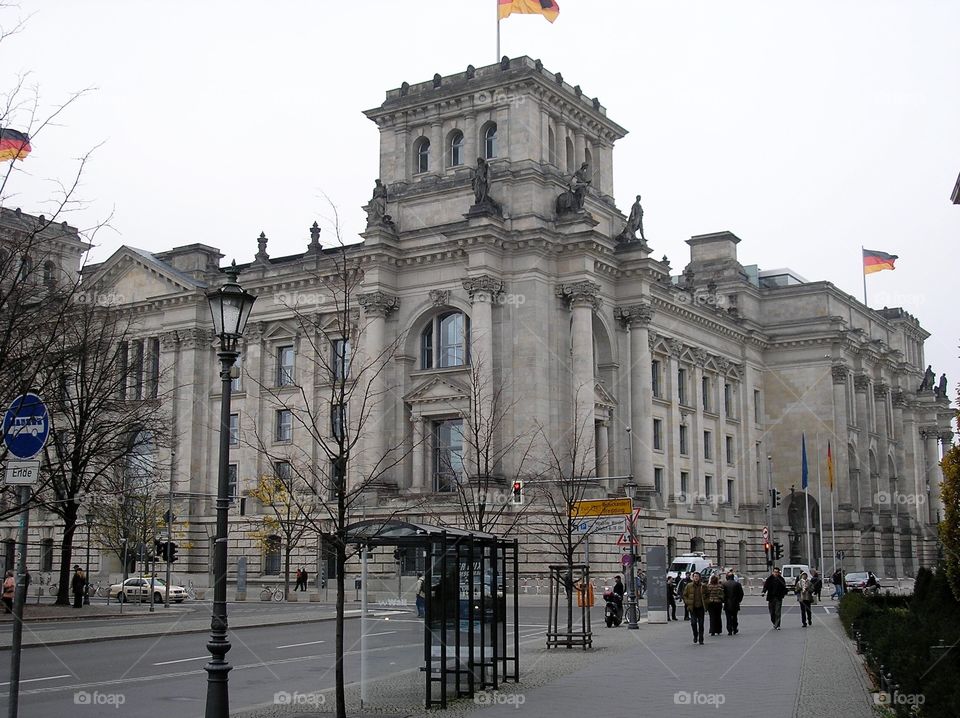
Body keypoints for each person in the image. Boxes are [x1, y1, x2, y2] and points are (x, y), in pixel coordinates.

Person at [682, 572, 706, 645]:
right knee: (693, 623)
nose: (696, 578)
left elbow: (707, 595)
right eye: (695, 576)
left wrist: (706, 603)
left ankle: (701, 638)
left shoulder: (703, 586)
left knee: (701, 624)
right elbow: (685, 595)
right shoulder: (689, 586)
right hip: (692, 608)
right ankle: (695, 635)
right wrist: (687, 602)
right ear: (693, 577)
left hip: (701, 607)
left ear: (699, 577)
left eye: (697, 576)